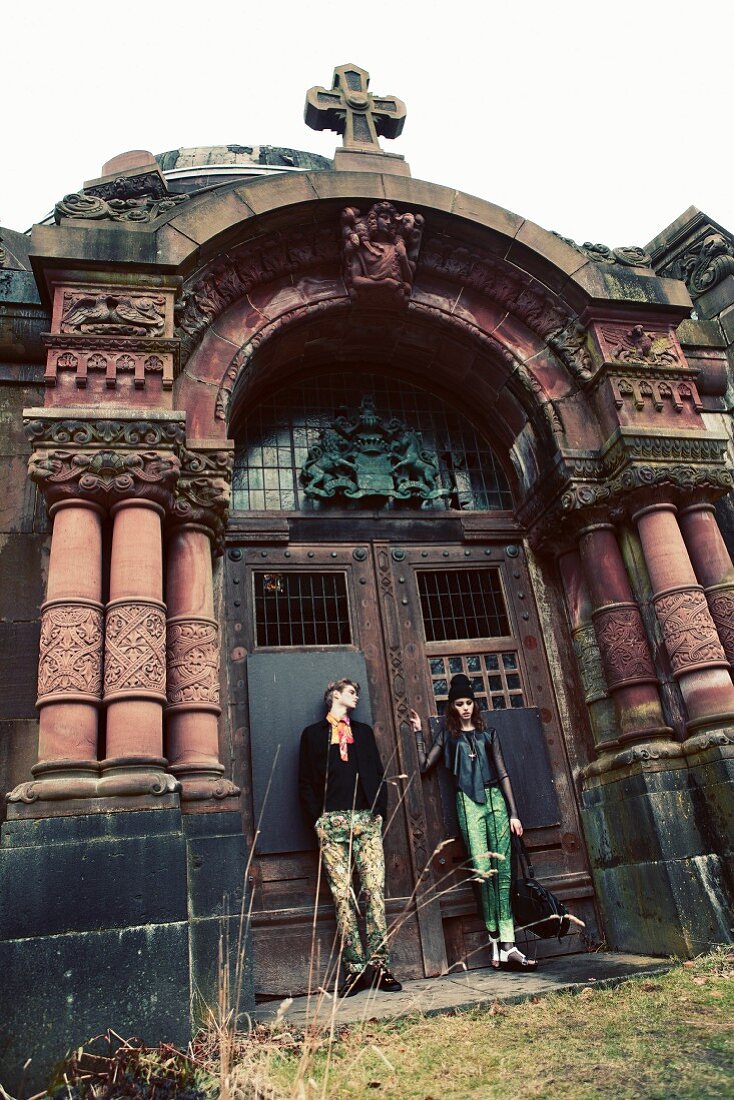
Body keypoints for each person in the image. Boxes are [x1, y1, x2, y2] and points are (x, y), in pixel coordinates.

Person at [411, 673, 537, 970]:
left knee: (504, 870)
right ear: (452, 707)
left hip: (496, 800)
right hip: (468, 803)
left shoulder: (488, 734)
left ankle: (509, 944)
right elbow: (423, 766)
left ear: (474, 705)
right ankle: (495, 938)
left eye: (469, 702)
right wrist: (418, 734)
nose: (465, 707)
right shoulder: (447, 737)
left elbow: (504, 773)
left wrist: (514, 813)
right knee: (483, 871)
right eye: (459, 703)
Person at [298, 677, 402, 995]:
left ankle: (380, 966)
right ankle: (355, 970)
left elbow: (378, 772)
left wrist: (378, 811)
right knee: (342, 897)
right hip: (332, 824)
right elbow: (304, 781)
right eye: (351, 693)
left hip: (366, 822)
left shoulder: (364, 733)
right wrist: (317, 820)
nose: (357, 697)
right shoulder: (313, 735)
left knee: (372, 892)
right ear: (335, 695)